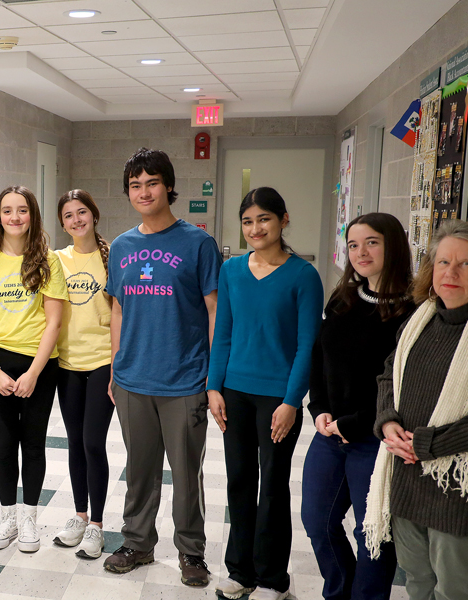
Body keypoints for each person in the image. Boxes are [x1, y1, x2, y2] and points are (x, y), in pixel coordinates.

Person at [365, 220, 468, 600]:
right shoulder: (422, 317)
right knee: (417, 583)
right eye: (443, 263)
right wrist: (388, 422)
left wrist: (427, 443)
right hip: (408, 479)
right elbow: (389, 377)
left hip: (462, 491)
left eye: (466, 264)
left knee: (456, 592)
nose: (450, 273)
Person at [102, 148, 219, 587]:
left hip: (184, 379)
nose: (144, 191)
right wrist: (115, 366)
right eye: (135, 185)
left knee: (187, 474)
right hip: (132, 377)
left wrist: (212, 376)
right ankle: (137, 543)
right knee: (140, 469)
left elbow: (213, 311)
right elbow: (116, 310)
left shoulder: (198, 243)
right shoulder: (122, 245)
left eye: (152, 183)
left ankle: (192, 552)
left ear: (168, 186)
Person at [208, 187, 324, 600]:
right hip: (234, 393)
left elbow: (307, 346)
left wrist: (292, 402)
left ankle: (273, 578)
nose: (255, 228)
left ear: (283, 220)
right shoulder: (232, 271)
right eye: (247, 221)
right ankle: (240, 571)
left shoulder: (303, 276)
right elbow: (222, 335)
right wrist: (213, 387)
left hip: (278, 398)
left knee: (273, 484)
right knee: (239, 480)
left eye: (264, 219)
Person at [303, 213, 413, 600]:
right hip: (330, 434)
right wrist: (318, 409)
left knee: (372, 535)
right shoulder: (344, 298)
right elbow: (320, 357)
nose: (360, 252)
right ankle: (339, 592)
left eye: (372, 242)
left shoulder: (414, 310)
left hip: (376, 439)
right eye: (353, 245)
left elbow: (404, 386)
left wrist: (354, 421)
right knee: (317, 522)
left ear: (393, 246)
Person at [0, 185, 67, 554]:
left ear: (32, 215)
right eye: (7, 210)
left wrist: (34, 373)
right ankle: (7, 516)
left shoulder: (48, 260)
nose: (14, 217)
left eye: (22, 210)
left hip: (40, 365)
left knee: (34, 443)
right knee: (5, 443)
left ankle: (29, 518)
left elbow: (54, 322)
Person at [49, 189, 113, 560]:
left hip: (102, 362)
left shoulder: (112, 257)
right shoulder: (57, 260)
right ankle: (79, 515)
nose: (76, 220)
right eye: (69, 215)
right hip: (67, 364)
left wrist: (117, 367)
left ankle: (98, 526)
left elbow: (121, 312)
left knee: (93, 442)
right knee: (75, 442)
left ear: (94, 214)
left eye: (82, 212)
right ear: (62, 223)